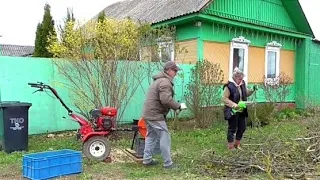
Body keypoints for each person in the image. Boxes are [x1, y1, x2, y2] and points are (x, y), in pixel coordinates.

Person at [141, 61, 184, 169]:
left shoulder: (158, 80)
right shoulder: (165, 82)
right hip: (155, 114)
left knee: (151, 136)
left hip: (148, 113)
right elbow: (165, 100)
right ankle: (168, 163)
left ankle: (147, 160)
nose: (176, 73)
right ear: (169, 70)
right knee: (165, 136)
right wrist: (178, 106)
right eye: (175, 71)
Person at [222, 67, 257, 150]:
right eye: (239, 78)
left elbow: (245, 92)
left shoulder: (242, 84)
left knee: (242, 127)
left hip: (242, 109)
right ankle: (230, 146)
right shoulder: (229, 86)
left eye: (242, 78)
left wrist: (252, 90)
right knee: (232, 127)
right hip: (233, 110)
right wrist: (234, 105)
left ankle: (237, 144)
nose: (241, 80)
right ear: (235, 77)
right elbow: (224, 98)